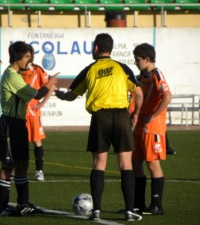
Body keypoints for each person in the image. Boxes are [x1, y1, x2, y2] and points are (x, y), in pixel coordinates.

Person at [55, 33, 143, 221]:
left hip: (100, 117)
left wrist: (59, 94)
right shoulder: (122, 68)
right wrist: (135, 114)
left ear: (96, 48)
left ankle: (96, 211)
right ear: (110, 49)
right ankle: (129, 210)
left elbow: (72, 95)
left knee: (99, 164)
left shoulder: (90, 69)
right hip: (121, 117)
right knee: (126, 164)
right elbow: (139, 92)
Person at [0, 41, 58, 216]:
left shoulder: (16, 74)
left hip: (19, 123)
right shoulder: (11, 76)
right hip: (10, 123)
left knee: (22, 163)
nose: (29, 61)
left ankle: (23, 204)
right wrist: (51, 82)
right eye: (27, 57)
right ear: (17, 57)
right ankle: (2, 207)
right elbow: (37, 94)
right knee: (8, 165)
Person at [132, 43, 171, 215]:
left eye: (138, 59)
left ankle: (157, 205)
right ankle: (138, 204)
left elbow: (167, 96)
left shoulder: (157, 74)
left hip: (152, 128)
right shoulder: (141, 77)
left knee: (152, 163)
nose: (135, 62)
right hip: (139, 128)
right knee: (134, 163)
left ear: (147, 59)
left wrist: (153, 116)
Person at [20, 45, 55, 181]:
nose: (25, 58)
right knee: (19, 143)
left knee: (37, 142)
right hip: (18, 113)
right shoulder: (16, 70)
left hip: (33, 114)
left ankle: (39, 171)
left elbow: (51, 85)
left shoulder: (37, 70)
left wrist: (41, 103)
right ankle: (16, 170)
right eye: (24, 55)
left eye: (28, 55)